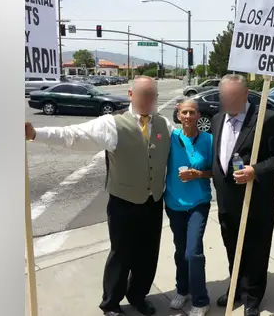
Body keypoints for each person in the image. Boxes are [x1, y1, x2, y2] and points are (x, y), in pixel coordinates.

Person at [25, 76, 174, 316]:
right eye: (143, 95)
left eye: (152, 96)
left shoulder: (164, 125)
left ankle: (137, 295)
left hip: (153, 202)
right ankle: (111, 304)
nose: (149, 100)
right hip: (123, 203)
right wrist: (36, 134)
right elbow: (73, 136)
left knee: (148, 254)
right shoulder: (112, 124)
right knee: (121, 254)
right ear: (130, 95)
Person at [210, 74, 274, 316]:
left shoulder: (267, 119)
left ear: (246, 95)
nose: (228, 103)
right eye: (224, 98)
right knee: (233, 248)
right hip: (226, 201)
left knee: (256, 251)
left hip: (257, 203)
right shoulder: (216, 119)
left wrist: (255, 171)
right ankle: (236, 287)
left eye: (233, 98)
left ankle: (253, 297)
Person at [164, 99, 214, 316]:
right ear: (178, 115)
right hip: (174, 203)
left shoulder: (209, 140)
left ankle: (201, 300)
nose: (187, 116)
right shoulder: (171, 138)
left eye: (192, 112)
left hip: (198, 203)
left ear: (198, 115)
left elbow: (216, 171)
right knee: (180, 251)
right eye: (184, 112)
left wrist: (198, 174)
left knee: (193, 252)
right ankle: (182, 289)